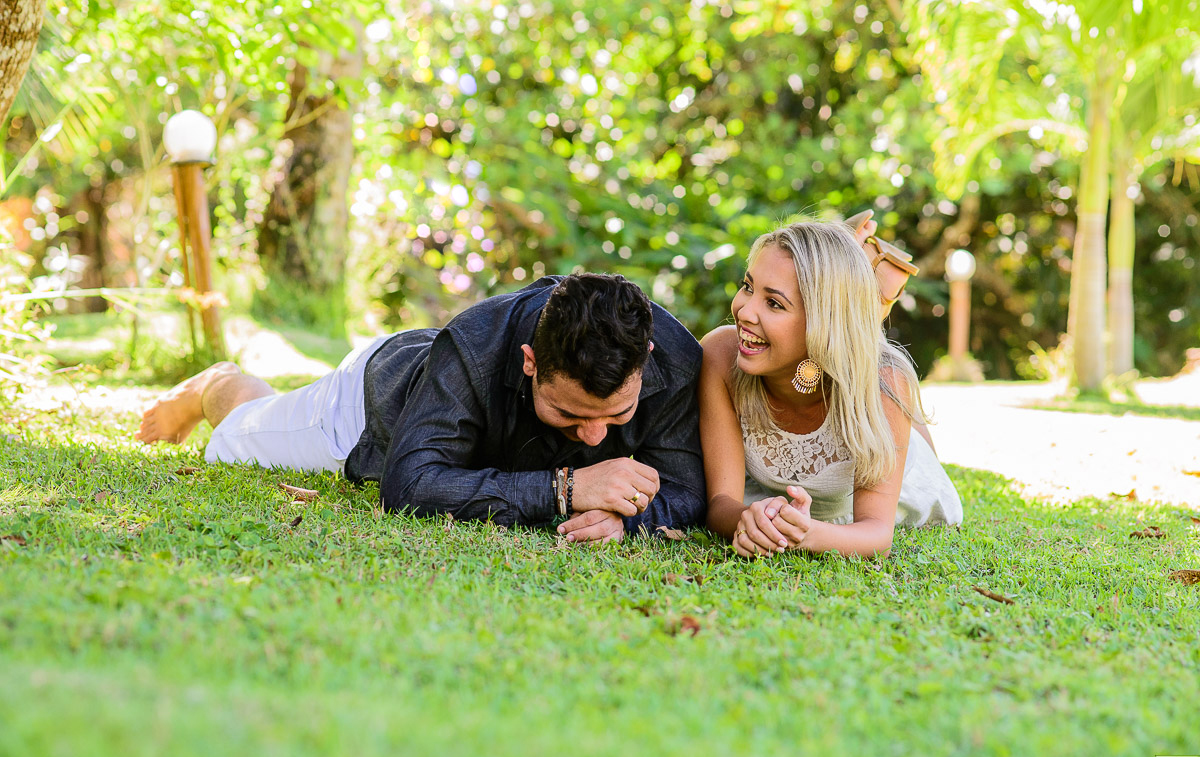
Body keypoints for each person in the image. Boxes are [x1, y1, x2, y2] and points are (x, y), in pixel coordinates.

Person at [137, 273, 706, 543]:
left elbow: (688, 490)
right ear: (530, 362)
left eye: (616, 416)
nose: (593, 437)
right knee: (240, 434)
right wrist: (565, 490)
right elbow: (409, 484)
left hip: (438, 387)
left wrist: (627, 521)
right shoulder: (476, 348)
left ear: (646, 361)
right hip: (373, 407)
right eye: (568, 414)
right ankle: (218, 381)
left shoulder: (676, 362)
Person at [698, 219, 963, 559]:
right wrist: (747, 520)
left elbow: (877, 535)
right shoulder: (721, 355)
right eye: (747, 287)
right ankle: (859, 277)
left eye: (774, 303)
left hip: (887, 473)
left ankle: (870, 304)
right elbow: (721, 504)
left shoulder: (885, 380)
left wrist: (806, 534)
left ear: (823, 322)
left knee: (886, 383)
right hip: (776, 491)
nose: (744, 312)